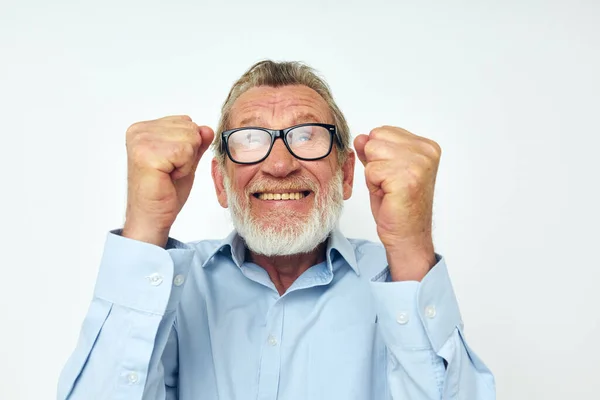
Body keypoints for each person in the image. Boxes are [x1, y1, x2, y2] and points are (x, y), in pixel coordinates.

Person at [57, 60, 495, 399]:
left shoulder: (400, 281)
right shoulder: (170, 285)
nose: (280, 165)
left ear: (345, 174)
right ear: (220, 182)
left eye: (306, 136)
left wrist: (411, 246)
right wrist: (144, 229)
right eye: (250, 140)